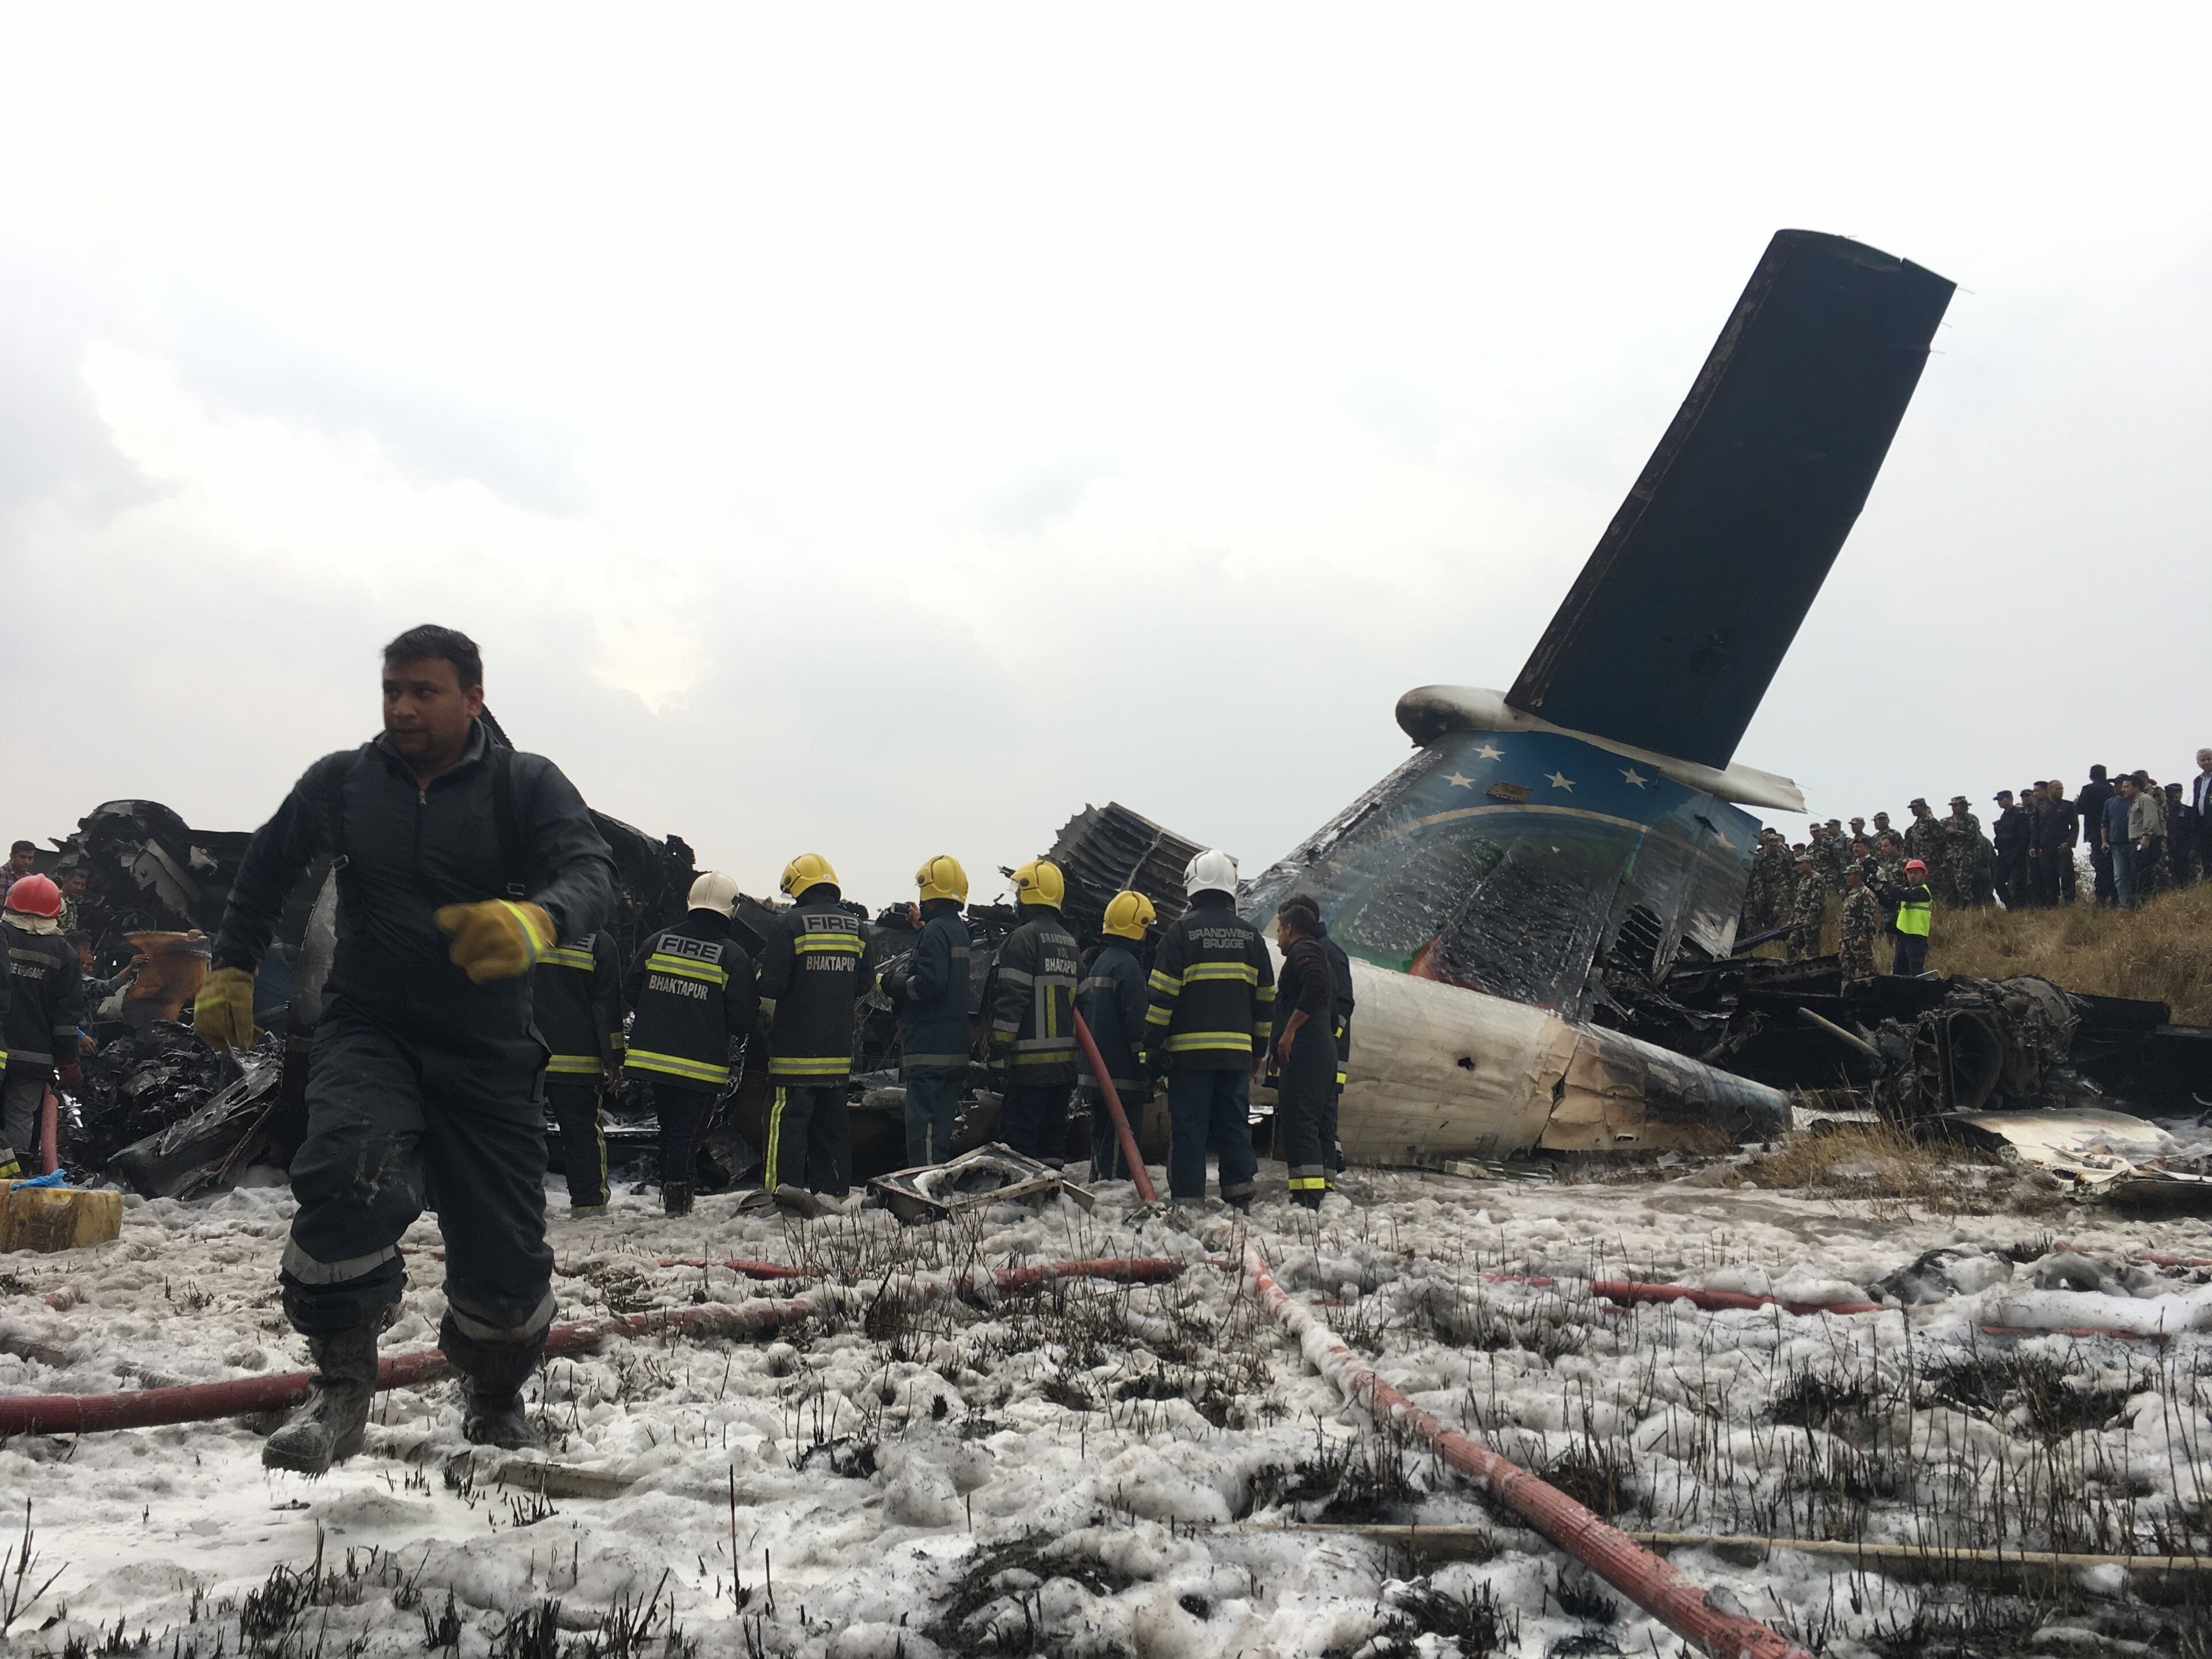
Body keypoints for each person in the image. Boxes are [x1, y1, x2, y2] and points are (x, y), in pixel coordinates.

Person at [195, 624, 617, 1473]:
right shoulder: (346, 783)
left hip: (488, 1047)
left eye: (423, 691)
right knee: (349, 1173)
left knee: (505, 1254)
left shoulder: (524, 786)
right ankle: (342, 1391)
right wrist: (233, 964)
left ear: (473, 697)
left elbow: (591, 871)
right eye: (391, 689)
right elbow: (268, 865)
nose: (401, 707)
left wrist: (540, 917)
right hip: (370, 1028)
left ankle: (495, 1399)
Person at [1145, 849, 1273, 1210]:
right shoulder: (1252, 938)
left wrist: (1151, 1045)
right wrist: (1258, 1051)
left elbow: (1162, 996)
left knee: (1190, 1127)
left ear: (1192, 888)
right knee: (1234, 1123)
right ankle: (1239, 1195)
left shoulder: (1181, 933)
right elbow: (1266, 1001)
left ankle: (1187, 1201)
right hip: (1236, 1056)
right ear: (1231, 888)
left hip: (1189, 1057)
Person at [624, 872, 758, 1217]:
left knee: (669, 1129)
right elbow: (743, 1019)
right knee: (687, 1132)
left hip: (653, 1057)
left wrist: (661, 1015)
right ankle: (678, 1203)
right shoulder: (732, 956)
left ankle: (671, 1191)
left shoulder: (657, 942)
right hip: (700, 1063)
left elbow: (631, 992)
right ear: (732, 909)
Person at [755, 854, 866, 1200]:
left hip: (793, 1055)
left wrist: (757, 973)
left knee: (786, 1126)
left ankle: (781, 1196)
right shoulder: (858, 928)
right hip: (836, 1055)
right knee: (832, 1129)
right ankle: (833, 1197)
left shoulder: (789, 925)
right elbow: (863, 985)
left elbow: (770, 985)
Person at [879, 856, 972, 1166]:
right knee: (940, 1131)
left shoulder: (934, 933)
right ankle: (939, 1195)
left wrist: (889, 984)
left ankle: (924, 1198)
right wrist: (923, 926)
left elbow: (929, 985)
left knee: (924, 1133)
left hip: (929, 1051)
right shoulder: (958, 930)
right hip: (953, 1050)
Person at [986, 859, 1080, 1163]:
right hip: (1064, 1068)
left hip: (1029, 1068)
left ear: (1031, 895)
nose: (1016, 901)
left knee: (1019, 1143)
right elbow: (1084, 1004)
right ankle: (1053, 1200)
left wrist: (999, 1052)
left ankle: (1020, 1207)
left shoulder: (1022, 939)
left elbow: (1011, 1001)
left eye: (1019, 895)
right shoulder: (1070, 943)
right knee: (1052, 1142)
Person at [530, 926, 624, 1214]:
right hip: (578, 1063)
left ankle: (519, 1203)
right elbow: (605, 1007)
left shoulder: (522, 927)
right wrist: (614, 1059)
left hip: (525, 1056)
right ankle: (589, 1205)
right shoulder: (599, 942)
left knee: (518, 1132)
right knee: (582, 1133)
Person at [1076, 890, 1154, 1182]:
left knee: (1101, 1142)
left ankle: (1098, 1190)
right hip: (1122, 1078)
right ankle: (1113, 1196)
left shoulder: (1100, 962)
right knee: (1121, 1148)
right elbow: (1137, 1026)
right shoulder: (1130, 969)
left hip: (1095, 1074)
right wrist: (1148, 1065)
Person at [1266, 895, 1337, 1210]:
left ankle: (1308, 1199)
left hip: (1305, 1052)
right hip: (1316, 1051)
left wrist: (1290, 1031)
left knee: (1300, 1121)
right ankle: (1309, 1194)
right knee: (1307, 1120)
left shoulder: (1304, 950)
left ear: (1290, 929)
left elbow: (1316, 987)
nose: (1278, 937)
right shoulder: (1313, 951)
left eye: (1280, 930)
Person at [3, 875, 82, 1157]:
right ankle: (11, 1186)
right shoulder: (66, 954)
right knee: (20, 1119)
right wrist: (69, 1060)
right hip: (34, 1058)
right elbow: (66, 1017)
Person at [1313, 911, 1355, 1176]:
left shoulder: (1328, 953)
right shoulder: (1319, 950)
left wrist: (1329, 1037)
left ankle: (1331, 1163)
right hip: (1325, 1050)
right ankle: (1329, 1162)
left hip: (1330, 1053)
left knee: (1325, 1111)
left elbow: (1344, 1003)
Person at [1887, 859, 1934, 974]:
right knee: (1899, 970)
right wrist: (1877, 888)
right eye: (1910, 873)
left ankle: (1919, 992)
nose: (1912, 876)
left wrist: (1885, 882)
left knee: (1915, 971)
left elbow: (1900, 895)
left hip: (1916, 937)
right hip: (1903, 935)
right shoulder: (1908, 891)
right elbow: (1889, 902)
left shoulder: (1923, 892)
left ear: (1924, 875)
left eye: (1916, 873)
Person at [2078, 767, 2118, 904]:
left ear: (2091, 776)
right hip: (2113, 831)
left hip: (2095, 832)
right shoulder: (2112, 789)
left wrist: (2077, 802)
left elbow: (2080, 809)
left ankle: (2101, 896)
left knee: (2100, 864)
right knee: (2112, 864)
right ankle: (2114, 895)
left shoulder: (2088, 789)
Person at [1838, 866, 1881, 983]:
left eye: (1849, 875)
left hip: (1859, 938)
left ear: (1857, 876)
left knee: (1867, 970)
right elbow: (1847, 918)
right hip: (1848, 939)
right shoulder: (1850, 894)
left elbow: (1869, 916)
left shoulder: (1865, 892)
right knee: (1846, 969)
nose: (1847, 878)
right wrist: (1842, 938)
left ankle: (1875, 993)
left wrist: (1864, 935)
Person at [1991, 791, 2028, 908]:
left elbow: (2023, 837)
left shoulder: (2019, 815)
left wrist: (2017, 853)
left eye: (2001, 799)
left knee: (2018, 884)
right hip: (2003, 854)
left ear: (2009, 799)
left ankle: (2020, 908)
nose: (1999, 802)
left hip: (2017, 854)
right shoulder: (2004, 817)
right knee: (1998, 881)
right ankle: (2010, 906)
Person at [2106, 777, 2138, 908]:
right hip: (2116, 844)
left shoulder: (2137, 801)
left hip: (2133, 843)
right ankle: (2124, 905)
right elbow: (2105, 823)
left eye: (2120, 785)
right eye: (2116, 784)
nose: (2117, 787)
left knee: (2135, 874)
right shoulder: (2110, 802)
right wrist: (2104, 841)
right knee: (2119, 876)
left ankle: (2138, 902)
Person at [1786, 854, 1826, 961]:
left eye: (1801, 864)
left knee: (1811, 951)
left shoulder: (1816, 878)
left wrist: (1811, 918)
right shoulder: (1802, 880)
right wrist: (1792, 920)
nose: (1798, 867)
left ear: (1809, 864)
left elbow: (1818, 901)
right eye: (1797, 864)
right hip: (1798, 921)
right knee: (1792, 944)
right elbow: (1798, 902)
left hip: (1810, 922)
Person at [1903, 800, 1945, 889]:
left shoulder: (1932, 822)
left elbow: (1942, 841)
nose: (1913, 810)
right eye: (1912, 808)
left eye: (1915, 807)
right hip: (1918, 865)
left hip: (1932, 864)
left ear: (1923, 807)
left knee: (1933, 888)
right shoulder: (1913, 828)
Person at [2165, 783, 2198, 888]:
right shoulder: (2164, 810)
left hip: (2184, 847)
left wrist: (2193, 847)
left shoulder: (2188, 811)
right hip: (2167, 846)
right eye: (2174, 792)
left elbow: (2193, 830)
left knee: (2184, 874)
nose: (2177, 795)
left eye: (2179, 792)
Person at [0, 842, 36, 907]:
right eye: (22, 857)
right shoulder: (2, 874)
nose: (26, 862)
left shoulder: (30, 880)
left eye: (30, 858)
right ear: (12, 856)